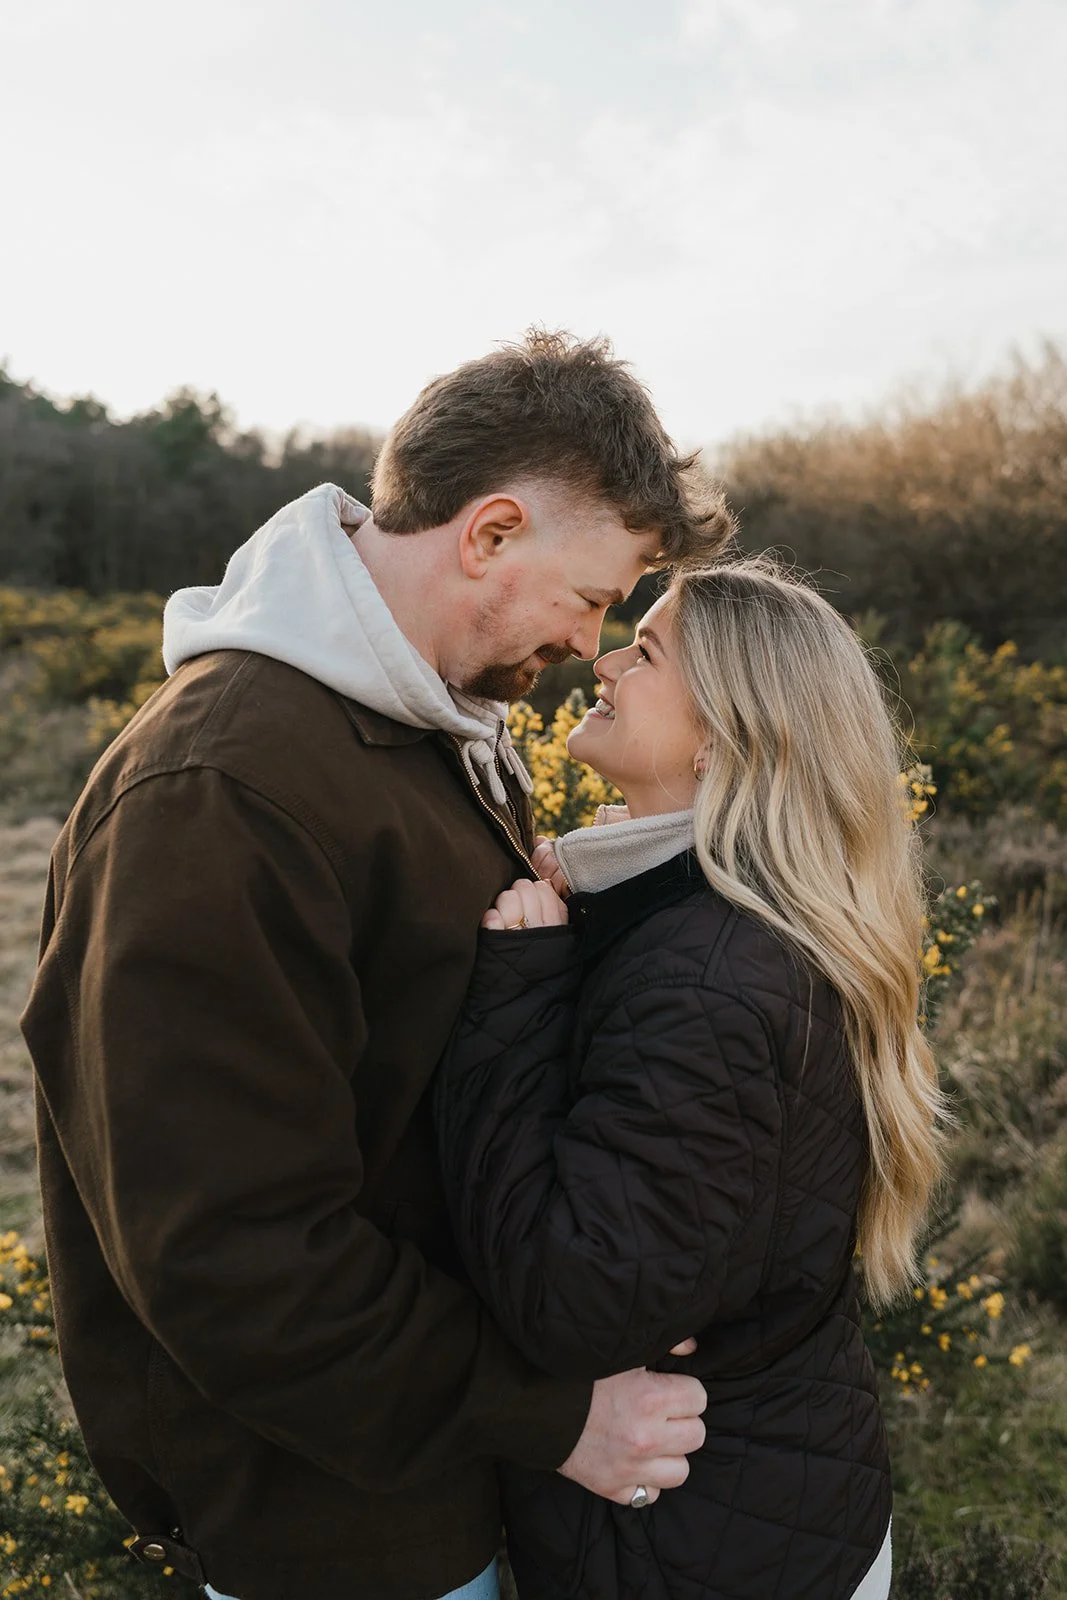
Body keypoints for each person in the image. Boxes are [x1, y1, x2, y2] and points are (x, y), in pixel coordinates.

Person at [20, 332, 734, 1600]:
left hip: (453, 1468)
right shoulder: (222, 790)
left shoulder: (443, 723)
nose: (592, 637)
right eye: (592, 594)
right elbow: (235, 1256)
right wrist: (552, 1409)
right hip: (338, 1527)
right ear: (491, 532)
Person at [435, 558, 948, 1600]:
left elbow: (568, 1303)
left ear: (721, 736)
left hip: (704, 1546)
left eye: (648, 650)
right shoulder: (712, 922)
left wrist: (517, 1001)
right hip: (770, 1511)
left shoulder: (706, 974)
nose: (605, 657)